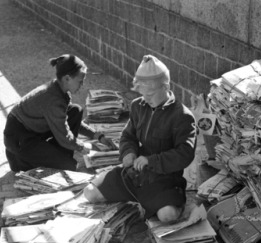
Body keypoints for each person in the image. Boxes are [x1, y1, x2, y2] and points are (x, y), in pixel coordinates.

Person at [83, 55, 197, 223]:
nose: (146, 98)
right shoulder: (138, 105)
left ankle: (168, 202)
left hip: (164, 179)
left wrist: (152, 161)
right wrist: (128, 153)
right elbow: (128, 136)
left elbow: (185, 154)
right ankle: (141, 201)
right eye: (143, 93)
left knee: (168, 216)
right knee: (90, 192)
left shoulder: (182, 116)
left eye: (150, 94)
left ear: (166, 87)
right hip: (135, 173)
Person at [3, 54, 114, 172]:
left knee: (75, 111)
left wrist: (98, 136)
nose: (82, 85)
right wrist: (87, 147)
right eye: (80, 81)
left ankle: (52, 153)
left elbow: (63, 121)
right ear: (67, 78)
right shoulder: (52, 99)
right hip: (19, 138)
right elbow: (64, 136)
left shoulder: (60, 90)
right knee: (69, 165)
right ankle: (19, 159)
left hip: (34, 130)